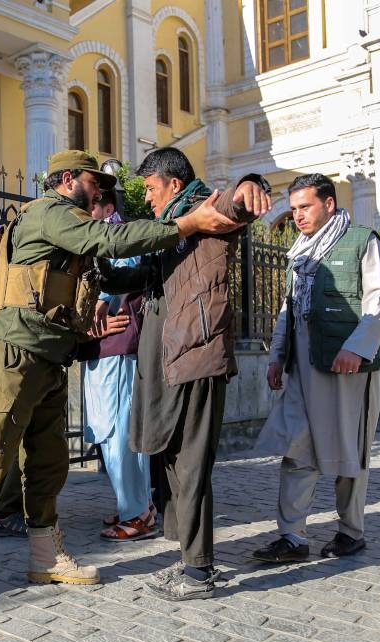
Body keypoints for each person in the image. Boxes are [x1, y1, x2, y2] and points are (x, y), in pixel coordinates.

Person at [0, 149, 257, 607]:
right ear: (69, 179)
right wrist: (186, 225)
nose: (101, 196)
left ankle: (45, 556)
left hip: (48, 356)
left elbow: (110, 273)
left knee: (50, 460)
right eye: (96, 185)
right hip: (12, 352)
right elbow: (108, 241)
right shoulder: (49, 213)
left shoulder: (68, 230)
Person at [128, 147, 271, 601]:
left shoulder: (203, 211)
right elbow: (144, 273)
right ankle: (191, 559)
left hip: (197, 354)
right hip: (169, 358)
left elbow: (236, 203)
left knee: (191, 463)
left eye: (150, 189)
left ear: (172, 183)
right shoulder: (171, 226)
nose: (147, 198)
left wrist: (251, 182)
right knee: (171, 458)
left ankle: (199, 573)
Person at [252, 173, 380, 564]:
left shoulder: (362, 241)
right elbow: (288, 309)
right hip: (302, 365)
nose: (297, 215)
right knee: (296, 446)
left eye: (305, 207)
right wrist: (277, 355)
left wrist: (357, 348)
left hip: (347, 365)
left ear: (328, 204)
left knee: (349, 449)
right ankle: (292, 537)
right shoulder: (298, 252)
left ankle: (351, 532)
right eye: (293, 208)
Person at [78, 189, 156, 542]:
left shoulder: (117, 235)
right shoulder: (94, 239)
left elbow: (121, 271)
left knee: (117, 429)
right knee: (111, 428)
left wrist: (102, 302)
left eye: (89, 205)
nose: (83, 212)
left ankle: (137, 511)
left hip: (117, 347)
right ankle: (137, 505)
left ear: (107, 208)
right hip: (103, 348)